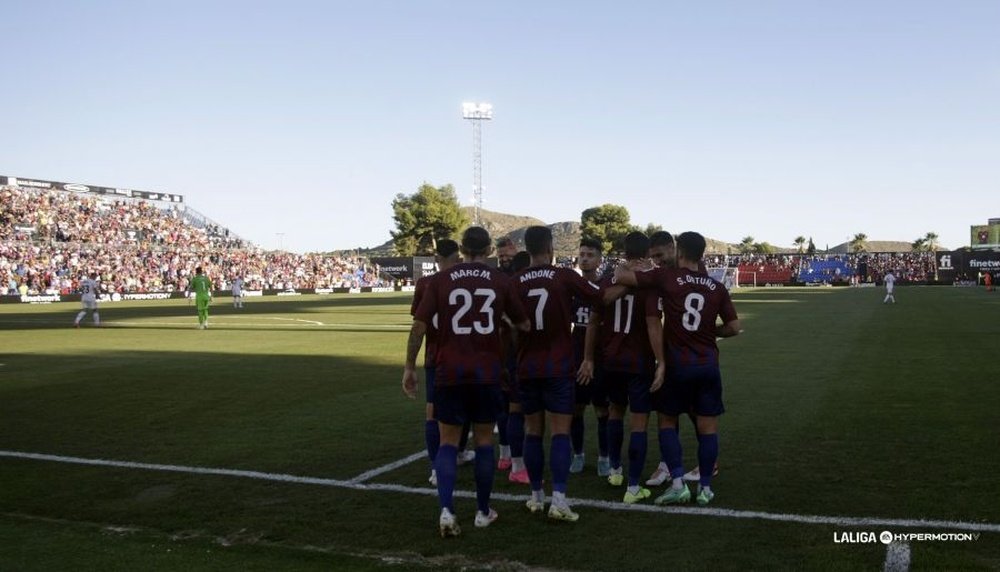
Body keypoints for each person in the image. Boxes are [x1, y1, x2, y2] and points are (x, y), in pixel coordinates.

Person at [403, 227, 529, 538]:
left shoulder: (438, 281)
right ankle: (483, 511)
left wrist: (409, 366)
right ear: (488, 250)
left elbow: (419, 327)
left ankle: (446, 510)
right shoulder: (500, 280)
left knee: (448, 442)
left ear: (461, 249)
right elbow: (523, 323)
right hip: (487, 371)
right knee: (484, 441)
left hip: (449, 370)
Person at [614, 231, 741, 506]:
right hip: (708, 364)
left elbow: (622, 278)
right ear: (703, 254)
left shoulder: (666, 278)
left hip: (677, 364)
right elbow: (734, 328)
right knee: (708, 428)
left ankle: (678, 484)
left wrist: (626, 265)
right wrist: (711, 330)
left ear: (679, 251)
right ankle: (706, 489)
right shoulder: (716, 286)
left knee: (667, 422)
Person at [513, 226, 622, 522]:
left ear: (527, 249)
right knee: (560, 432)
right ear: (551, 248)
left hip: (526, 367)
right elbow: (602, 298)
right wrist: (631, 282)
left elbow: (506, 324)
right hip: (558, 367)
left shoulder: (515, 281)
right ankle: (558, 499)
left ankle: (536, 496)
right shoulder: (564, 276)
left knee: (533, 433)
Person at [584, 232, 663, 504]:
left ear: (624, 251)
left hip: (610, 359)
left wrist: (589, 358)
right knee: (639, 422)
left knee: (616, 412)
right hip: (638, 361)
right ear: (646, 254)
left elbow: (594, 319)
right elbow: (653, 323)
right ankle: (632, 487)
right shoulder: (648, 285)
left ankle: (615, 470)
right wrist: (661, 360)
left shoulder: (609, 279)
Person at [646, 231, 719, 486]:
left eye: (660, 255)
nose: (657, 260)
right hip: (675, 353)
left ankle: (703, 464)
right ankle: (667, 464)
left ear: (673, 248)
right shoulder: (662, 274)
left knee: (689, 411)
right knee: (668, 411)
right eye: (652, 257)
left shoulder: (689, 270)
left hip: (686, 357)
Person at [410, 239, 461, 487]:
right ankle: (456, 454)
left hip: (435, 357)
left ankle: (435, 467)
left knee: (432, 411)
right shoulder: (466, 280)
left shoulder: (425, 283)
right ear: (458, 256)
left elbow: (418, 325)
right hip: (466, 356)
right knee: (466, 409)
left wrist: (409, 366)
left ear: (436, 257)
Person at [569, 238, 611, 477]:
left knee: (602, 410)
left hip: (602, 356)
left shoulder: (606, 287)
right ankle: (578, 455)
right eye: (582, 254)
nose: (584, 258)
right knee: (576, 408)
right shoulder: (570, 286)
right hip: (576, 355)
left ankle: (604, 457)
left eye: (590, 255)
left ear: (599, 259)